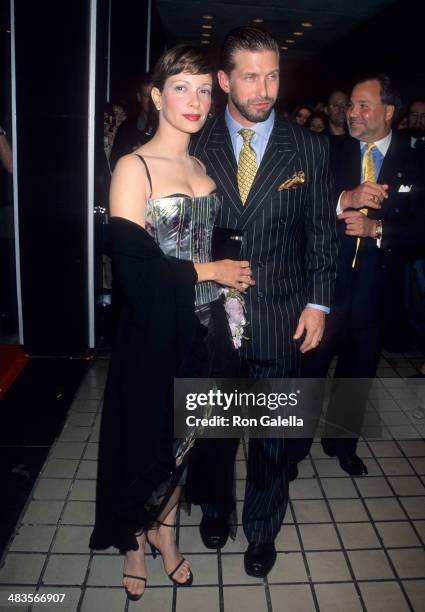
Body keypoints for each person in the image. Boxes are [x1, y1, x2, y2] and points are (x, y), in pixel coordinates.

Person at [89, 44, 254, 600]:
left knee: (187, 440)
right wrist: (215, 268)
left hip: (205, 333)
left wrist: (233, 287)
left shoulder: (203, 165)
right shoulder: (131, 168)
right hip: (152, 337)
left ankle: (167, 533)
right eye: (182, 87)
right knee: (147, 441)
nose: (196, 99)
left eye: (205, 88)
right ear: (158, 96)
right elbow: (135, 271)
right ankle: (136, 542)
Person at [192, 25, 338, 578]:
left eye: (273, 74)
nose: (264, 89)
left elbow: (322, 232)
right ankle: (214, 506)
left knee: (274, 435)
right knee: (214, 423)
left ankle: (261, 528)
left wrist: (319, 304)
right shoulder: (196, 142)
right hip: (212, 317)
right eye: (250, 76)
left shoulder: (307, 146)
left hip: (283, 311)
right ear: (224, 79)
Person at [301, 75, 425, 475]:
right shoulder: (329, 150)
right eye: (351, 105)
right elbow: (303, 206)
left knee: (359, 370)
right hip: (325, 285)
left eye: (363, 105)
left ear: (389, 111)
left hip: (377, 287)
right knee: (310, 368)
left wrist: (379, 231)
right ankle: (291, 448)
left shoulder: (417, 159)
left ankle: (341, 442)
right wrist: (343, 200)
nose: (352, 113)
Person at [110, 74, 157, 170]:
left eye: (154, 95)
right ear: (139, 97)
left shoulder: (168, 126)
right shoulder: (126, 128)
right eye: (147, 96)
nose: (151, 101)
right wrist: (133, 157)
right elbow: (114, 163)